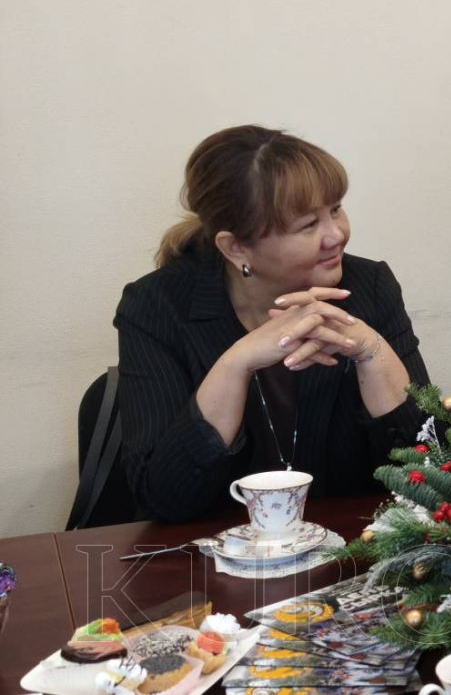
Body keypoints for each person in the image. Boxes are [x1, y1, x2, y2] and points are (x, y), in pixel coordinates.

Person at [114, 126, 431, 522]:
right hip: (213, 551)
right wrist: (235, 364)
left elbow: (431, 477)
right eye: (308, 225)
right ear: (236, 247)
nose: (336, 235)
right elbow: (162, 499)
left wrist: (371, 352)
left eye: (335, 210)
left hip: (352, 544)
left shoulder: (369, 289)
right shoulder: (158, 306)